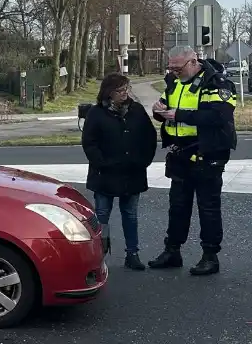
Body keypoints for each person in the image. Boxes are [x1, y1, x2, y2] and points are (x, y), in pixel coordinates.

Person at [149, 46, 237, 275]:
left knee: (208, 207)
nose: (174, 72)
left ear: (193, 62)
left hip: (207, 154)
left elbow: (220, 115)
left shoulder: (215, 82)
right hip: (180, 154)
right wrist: (157, 111)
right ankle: (172, 251)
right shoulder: (173, 81)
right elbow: (165, 108)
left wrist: (179, 115)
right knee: (177, 206)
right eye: (171, 68)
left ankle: (210, 256)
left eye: (177, 68)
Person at [80, 73, 157, 270]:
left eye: (126, 89)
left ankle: (133, 253)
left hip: (133, 172)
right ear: (108, 93)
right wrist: (102, 163)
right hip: (105, 174)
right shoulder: (96, 113)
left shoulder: (136, 110)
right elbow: (90, 143)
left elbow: (149, 137)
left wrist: (143, 161)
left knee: (130, 214)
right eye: (120, 90)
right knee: (102, 215)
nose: (125, 93)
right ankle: (98, 256)